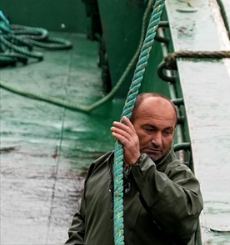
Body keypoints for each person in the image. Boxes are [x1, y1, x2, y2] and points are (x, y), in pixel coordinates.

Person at [66, 93, 203, 244]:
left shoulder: (180, 177)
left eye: (167, 132)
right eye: (150, 130)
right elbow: (81, 224)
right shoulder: (102, 166)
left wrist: (139, 165)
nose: (158, 141)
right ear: (127, 127)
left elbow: (182, 220)